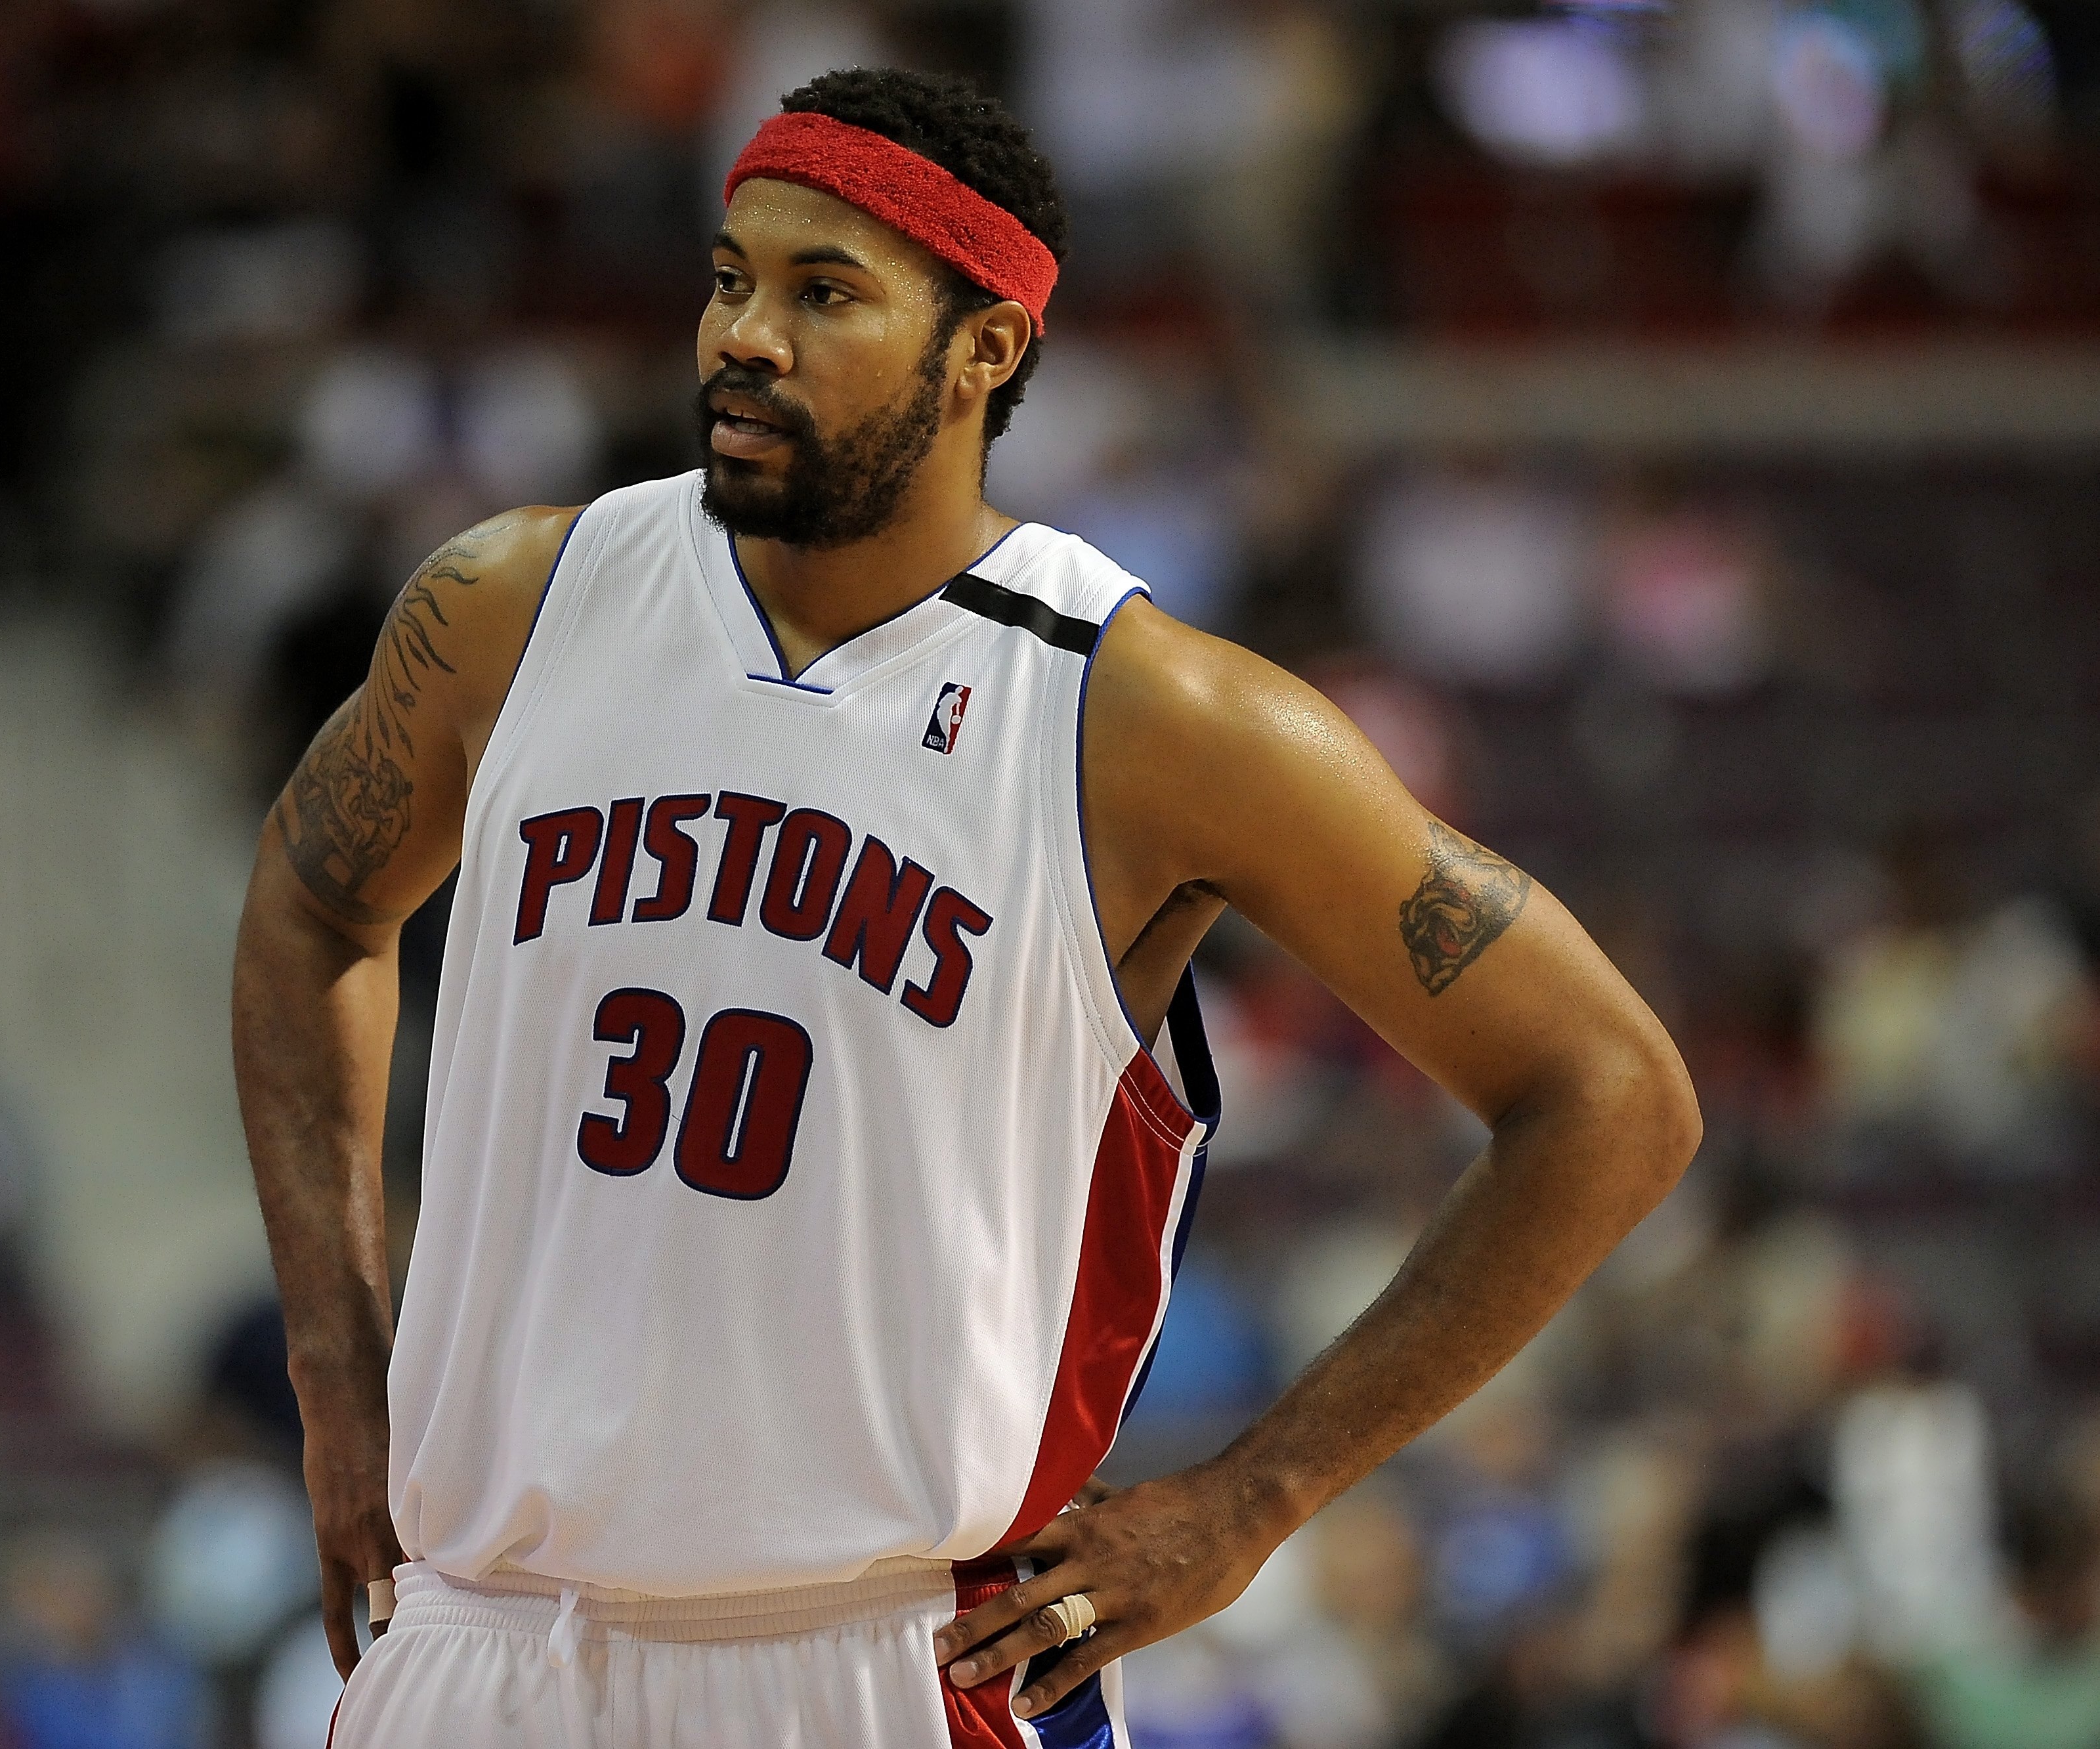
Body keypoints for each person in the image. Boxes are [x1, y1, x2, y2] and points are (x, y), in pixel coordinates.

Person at [232, 67, 1701, 1748]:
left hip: (877, 1666)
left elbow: (1612, 1092)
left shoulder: (1157, 718)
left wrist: (1252, 1500)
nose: (743, 337)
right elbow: (306, 910)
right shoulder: (512, 605)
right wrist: (337, 1364)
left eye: (823, 294)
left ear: (986, 348)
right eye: (729, 280)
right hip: (479, 1646)